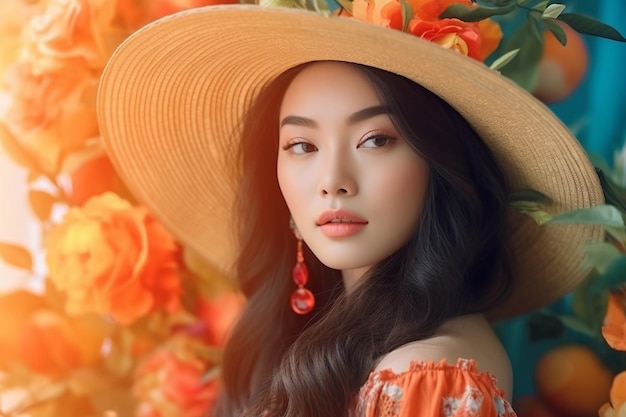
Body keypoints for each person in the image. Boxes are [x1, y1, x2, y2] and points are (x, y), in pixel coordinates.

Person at [97, 4, 604, 416]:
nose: (333, 181)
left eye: (375, 139)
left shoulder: (425, 379)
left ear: (439, 165)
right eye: (301, 145)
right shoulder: (358, 348)